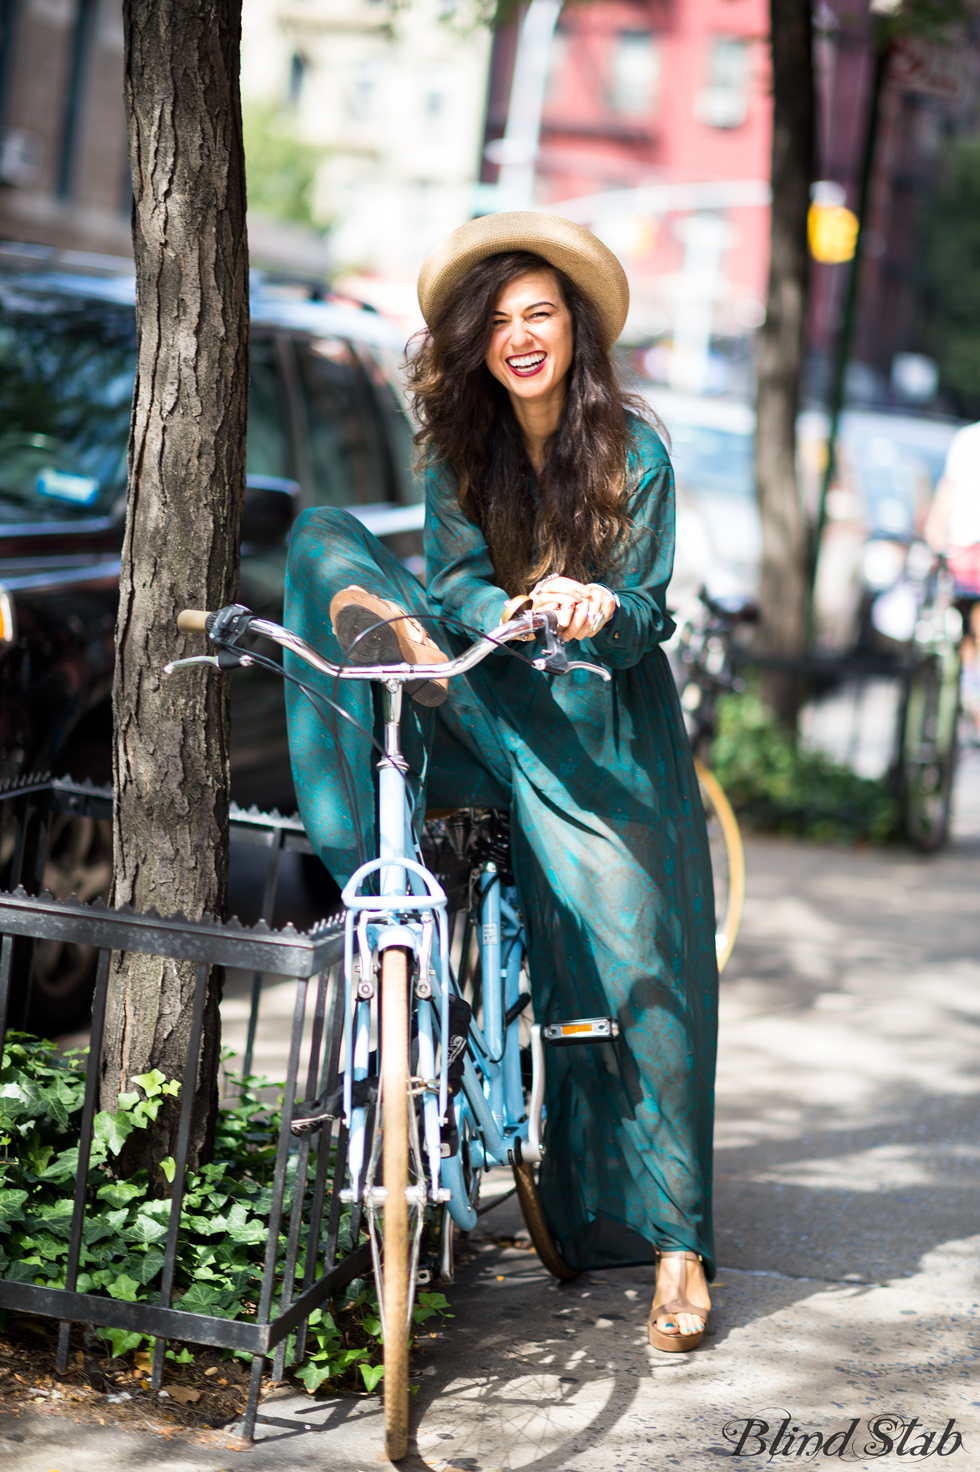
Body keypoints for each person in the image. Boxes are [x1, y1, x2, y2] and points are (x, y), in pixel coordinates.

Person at [284, 212, 718, 1351]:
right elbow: (462, 575)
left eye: (542, 315)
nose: (522, 337)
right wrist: (492, 613)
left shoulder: (636, 449)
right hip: (480, 694)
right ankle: (371, 858)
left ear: (575, 331)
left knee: (641, 974)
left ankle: (677, 1244)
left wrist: (597, 606)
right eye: (501, 321)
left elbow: (647, 615)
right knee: (324, 533)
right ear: (475, 343)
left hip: (598, 735)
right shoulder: (458, 449)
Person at [925, 419, 980, 738]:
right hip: (961, 549)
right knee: (958, 628)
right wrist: (935, 535)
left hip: (962, 548)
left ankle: (970, 690)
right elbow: (947, 492)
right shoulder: (969, 438)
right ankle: (967, 690)